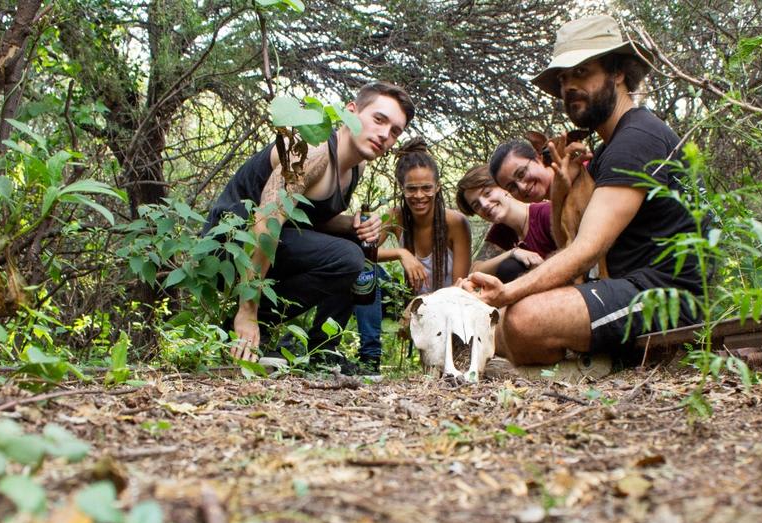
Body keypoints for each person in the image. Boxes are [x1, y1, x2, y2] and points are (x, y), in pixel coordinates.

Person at [460, 14, 706, 364]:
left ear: (618, 72)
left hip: (665, 297)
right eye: (563, 78)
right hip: (624, 287)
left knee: (524, 319)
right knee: (495, 325)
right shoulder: (607, 149)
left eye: (582, 72)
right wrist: (562, 187)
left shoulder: (636, 139)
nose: (569, 87)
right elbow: (569, 243)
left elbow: (588, 249)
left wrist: (508, 292)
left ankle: (591, 361)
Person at [202, 81, 415, 365]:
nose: (384, 134)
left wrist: (353, 226)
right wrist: (247, 311)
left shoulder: (356, 167)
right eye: (379, 119)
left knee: (357, 246)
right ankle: (247, 330)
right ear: (351, 112)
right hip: (228, 248)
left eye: (395, 131)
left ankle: (323, 351)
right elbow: (267, 222)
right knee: (348, 256)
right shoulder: (311, 151)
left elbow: (309, 222)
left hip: (272, 249)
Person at [354, 138, 471, 373]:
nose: (419, 195)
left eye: (426, 188)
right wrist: (401, 252)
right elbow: (361, 254)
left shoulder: (455, 223)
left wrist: (420, 305)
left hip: (445, 308)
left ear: (437, 187)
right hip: (404, 303)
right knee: (361, 271)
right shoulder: (396, 217)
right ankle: (369, 359)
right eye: (412, 189)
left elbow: (459, 289)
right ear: (402, 188)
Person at [455, 164, 555, 283]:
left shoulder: (546, 214)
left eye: (487, 193)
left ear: (504, 186)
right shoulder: (502, 230)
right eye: (476, 205)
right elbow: (475, 271)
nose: (484, 204)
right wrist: (513, 252)